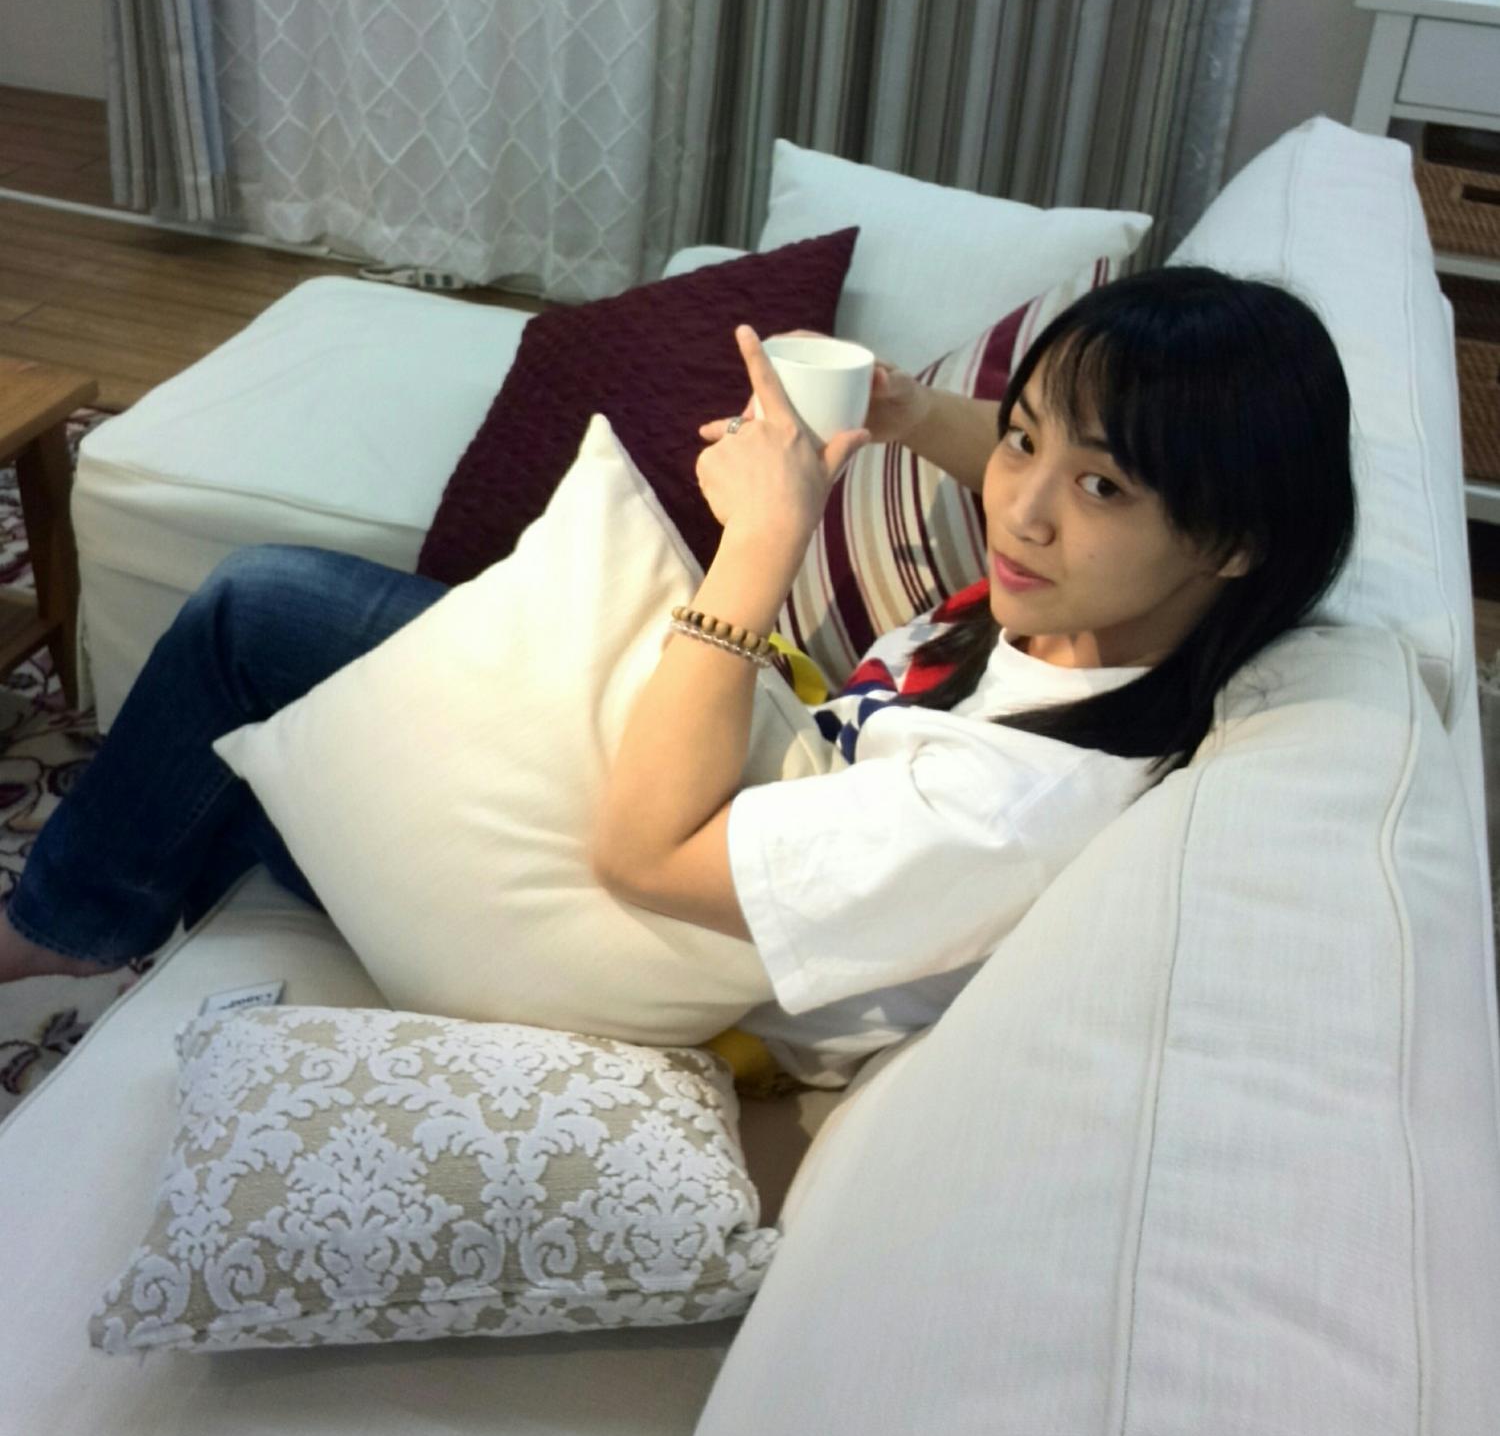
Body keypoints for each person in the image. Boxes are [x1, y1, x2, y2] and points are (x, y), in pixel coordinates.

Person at [0, 265, 1356, 1086]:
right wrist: (907, 414)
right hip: (746, 780)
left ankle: (69, 923)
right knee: (268, 702)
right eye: (1024, 442)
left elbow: (644, 859)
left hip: (658, 930)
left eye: (1101, 486)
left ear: (1235, 538)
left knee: (255, 622)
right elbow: (1020, 463)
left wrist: (758, 546)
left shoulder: (1000, 808)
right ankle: (106, 907)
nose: (1024, 511)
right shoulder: (1113, 638)